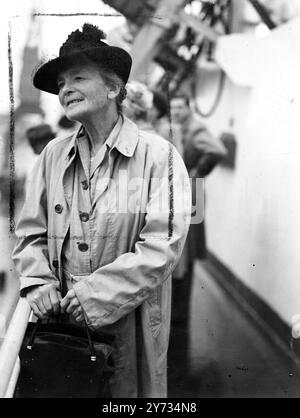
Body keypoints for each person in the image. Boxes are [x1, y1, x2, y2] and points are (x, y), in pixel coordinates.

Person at [12, 23, 191, 398]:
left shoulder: (159, 157)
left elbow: (162, 245)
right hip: (62, 332)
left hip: (129, 328)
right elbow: (29, 233)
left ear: (113, 88)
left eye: (77, 77)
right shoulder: (51, 157)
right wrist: (38, 281)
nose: (65, 89)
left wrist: (94, 295)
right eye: (61, 83)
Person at [170, 92, 227, 322]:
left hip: (192, 192)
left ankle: (181, 315)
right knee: (184, 249)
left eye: (180, 108)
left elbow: (218, 150)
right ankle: (179, 311)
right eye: (172, 107)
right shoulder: (181, 128)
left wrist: (197, 172)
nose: (176, 112)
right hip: (187, 191)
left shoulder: (194, 128)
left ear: (189, 108)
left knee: (188, 249)